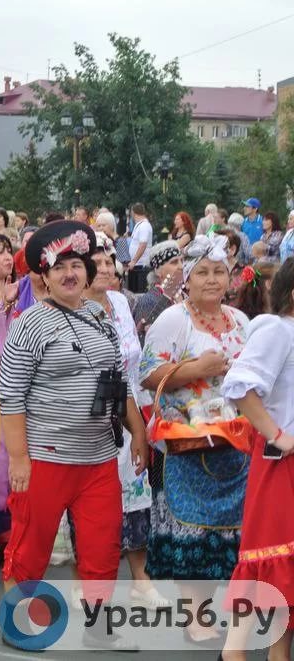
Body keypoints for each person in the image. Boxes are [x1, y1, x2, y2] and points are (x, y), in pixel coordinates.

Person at [0, 221, 147, 652]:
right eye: (59, 266)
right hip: (45, 456)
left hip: (99, 458)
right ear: (43, 275)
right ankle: (19, 621)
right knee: (31, 546)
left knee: (102, 549)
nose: (70, 273)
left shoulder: (100, 316)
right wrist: (19, 457)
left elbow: (117, 381)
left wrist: (137, 432)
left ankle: (99, 629)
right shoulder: (30, 323)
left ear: (88, 271)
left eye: (76, 265)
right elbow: (10, 394)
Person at [139, 234, 251, 646]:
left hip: (234, 443)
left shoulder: (240, 321)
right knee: (191, 529)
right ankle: (195, 614)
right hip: (187, 443)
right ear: (187, 278)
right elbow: (148, 377)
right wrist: (195, 368)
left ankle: (229, 610)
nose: (211, 279)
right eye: (202, 272)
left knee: (231, 531)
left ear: (230, 277)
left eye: (219, 271)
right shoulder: (174, 320)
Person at [82, 233, 164, 609]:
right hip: (89, 416)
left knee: (136, 497)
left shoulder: (119, 301)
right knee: (93, 507)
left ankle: (141, 580)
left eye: (108, 261)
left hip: (128, 408)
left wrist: (140, 423)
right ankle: (93, 591)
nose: (103, 268)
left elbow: (132, 362)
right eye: (95, 262)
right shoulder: (73, 306)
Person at [220, 258, 294, 661]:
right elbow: (239, 384)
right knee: (269, 559)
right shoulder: (279, 330)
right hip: (280, 465)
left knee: (286, 568)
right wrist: (276, 434)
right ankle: (233, 654)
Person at [132, 241, 183, 345]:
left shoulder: (184, 295)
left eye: (182, 261)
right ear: (158, 271)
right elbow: (142, 342)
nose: (181, 266)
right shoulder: (148, 300)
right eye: (174, 262)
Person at [126, 203, 153, 293]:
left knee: (139, 292)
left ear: (133, 212)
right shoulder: (139, 225)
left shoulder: (144, 225)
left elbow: (143, 244)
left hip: (141, 265)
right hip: (137, 265)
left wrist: (134, 261)